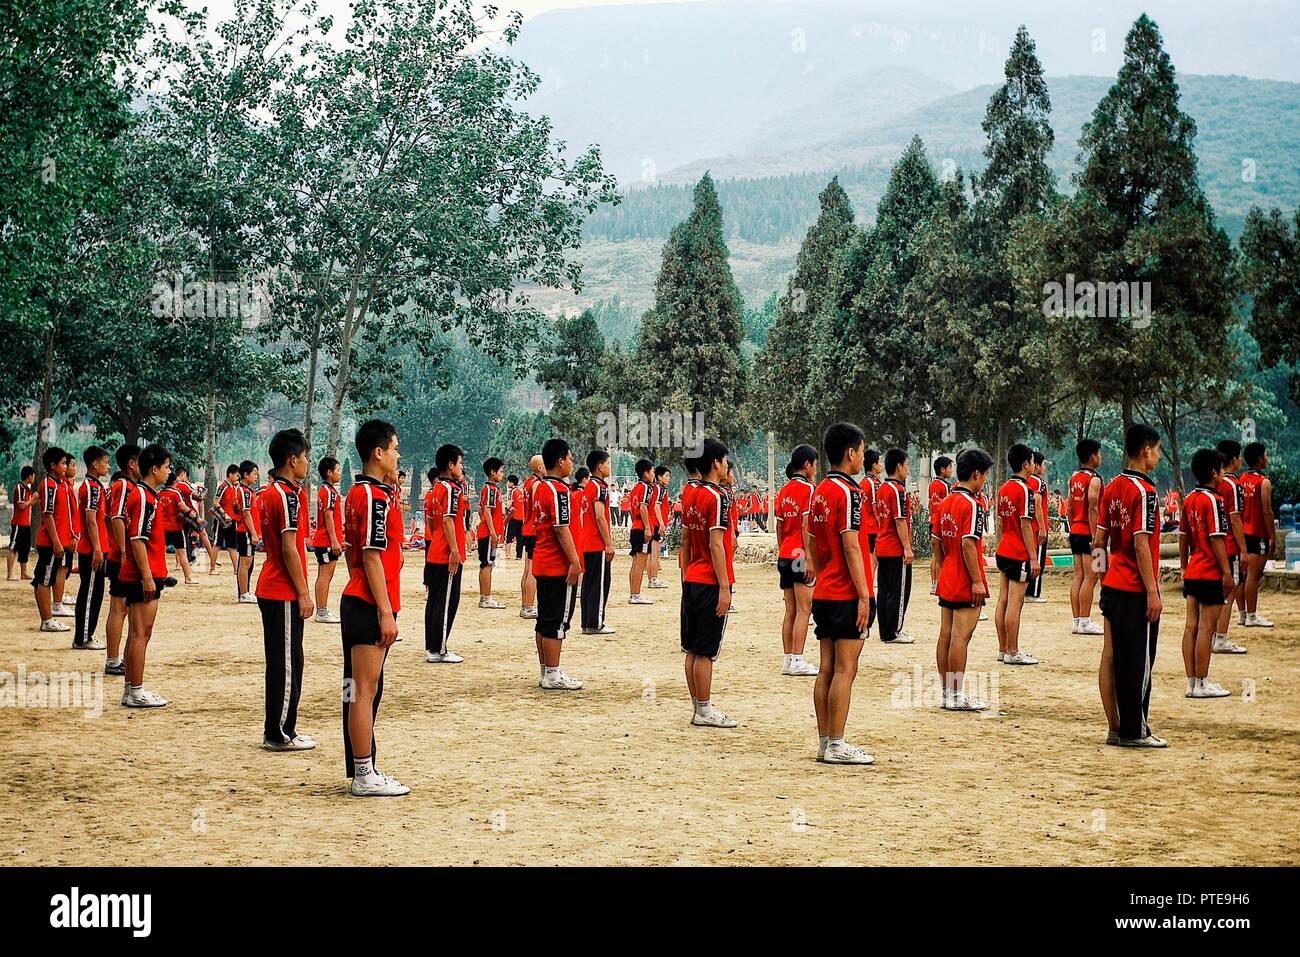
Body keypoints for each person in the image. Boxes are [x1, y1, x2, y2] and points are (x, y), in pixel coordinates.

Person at [341, 419, 409, 796]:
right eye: (395, 449)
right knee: (363, 690)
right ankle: (364, 774)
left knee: (356, 689)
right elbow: (370, 557)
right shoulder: (372, 497)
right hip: (368, 604)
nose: (398, 456)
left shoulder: (364, 493)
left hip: (360, 601)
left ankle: (362, 767)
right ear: (378, 453)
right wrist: (385, 612)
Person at [808, 423, 875, 764]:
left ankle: (825, 741)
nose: (863, 457)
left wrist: (822, 576)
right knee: (845, 671)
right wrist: (864, 594)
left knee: (826, 669)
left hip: (825, 591)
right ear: (850, 453)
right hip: (847, 593)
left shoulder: (819, 490)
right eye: (862, 451)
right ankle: (837, 743)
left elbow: (812, 541)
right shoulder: (849, 492)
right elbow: (851, 545)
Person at [1095, 424, 1165, 748]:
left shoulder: (1112, 487)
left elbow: (1099, 541)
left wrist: (1101, 579)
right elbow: (1141, 544)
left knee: (1111, 656)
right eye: (1158, 450)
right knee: (1139, 663)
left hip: (1113, 585)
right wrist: (1152, 590)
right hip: (1136, 590)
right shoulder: (1145, 493)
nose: (1159, 457)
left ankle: (1115, 726)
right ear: (1146, 450)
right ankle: (1134, 731)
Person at [256, 429, 317, 749]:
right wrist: (304, 593)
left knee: (287, 661)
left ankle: (283, 728)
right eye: (305, 457)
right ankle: (278, 732)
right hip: (282, 591)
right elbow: (291, 548)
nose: (308, 463)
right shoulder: (287, 496)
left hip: (275, 588)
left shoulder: (271, 493)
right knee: (286, 665)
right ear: (292, 460)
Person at [678, 438, 737, 727]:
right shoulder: (717, 497)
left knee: (692, 649)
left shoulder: (689, 493)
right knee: (705, 651)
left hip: (693, 577)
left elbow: (686, 540)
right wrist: (725, 587)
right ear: (715, 463)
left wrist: (686, 576)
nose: (727, 465)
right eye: (725, 459)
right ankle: (704, 709)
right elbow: (717, 545)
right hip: (711, 581)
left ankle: (698, 706)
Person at [933, 448, 994, 711]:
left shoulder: (946, 501)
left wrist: (943, 566)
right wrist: (977, 580)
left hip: (948, 573)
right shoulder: (972, 504)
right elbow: (969, 544)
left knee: (946, 635)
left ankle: (948, 691)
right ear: (977, 474)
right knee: (961, 637)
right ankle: (956, 696)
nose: (985, 481)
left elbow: (936, 540)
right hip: (964, 577)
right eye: (986, 476)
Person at [118, 443, 174, 707]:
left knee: (136, 634)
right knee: (141, 633)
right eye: (166, 467)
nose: (169, 472)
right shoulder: (143, 497)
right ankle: (136, 691)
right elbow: (138, 539)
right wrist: (148, 577)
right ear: (154, 468)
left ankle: (131, 688)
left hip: (144, 572)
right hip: (142, 575)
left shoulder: (148, 496)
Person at [1179, 448, 1235, 700]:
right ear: (1214, 473)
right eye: (1221, 469)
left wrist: (1183, 566)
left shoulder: (1189, 499)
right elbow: (1217, 539)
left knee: (1191, 626)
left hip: (1193, 569)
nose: (1223, 474)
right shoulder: (1214, 500)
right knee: (1206, 628)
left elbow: (1183, 537)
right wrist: (1226, 572)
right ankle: (1202, 682)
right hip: (1210, 571)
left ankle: (1192, 682)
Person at [531, 438, 584, 690]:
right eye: (570, 458)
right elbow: (562, 528)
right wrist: (574, 561)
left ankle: (546, 670)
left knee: (544, 619)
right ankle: (553, 673)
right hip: (556, 564)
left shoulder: (539, 488)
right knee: (557, 620)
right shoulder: (560, 491)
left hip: (542, 560)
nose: (572, 462)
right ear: (560, 461)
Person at [774, 444, 819, 677]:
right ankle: (798, 659)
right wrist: (810, 558)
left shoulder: (783, 491)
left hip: (786, 554)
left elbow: (779, 526)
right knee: (804, 609)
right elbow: (805, 525)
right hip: (801, 554)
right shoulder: (809, 490)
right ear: (807, 465)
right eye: (815, 464)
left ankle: (789, 659)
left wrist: (783, 549)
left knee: (790, 610)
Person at [993, 443, 1040, 665]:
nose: (1034, 465)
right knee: (1015, 602)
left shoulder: (1003, 489)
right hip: (1018, 552)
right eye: (1032, 461)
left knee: (1003, 599)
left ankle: (1003, 648)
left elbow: (1003, 522)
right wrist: (1033, 557)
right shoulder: (1025, 490)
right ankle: (1012, 651)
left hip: (1004, 548)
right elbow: (1025, 525)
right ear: (1026, 464)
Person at [423, 446, 468, 664]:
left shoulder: (434, 490)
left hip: (435, 551)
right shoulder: (451, 489)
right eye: (460, 463)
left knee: (434, 601)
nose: (462, 467)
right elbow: (448, 519)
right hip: (446, 554)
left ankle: (432, 646)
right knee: (447, 601)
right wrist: (454, 549)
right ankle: (439, 649)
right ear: (450, 466)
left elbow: (432, 522)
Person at [103, 445, 140, 676]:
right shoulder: (123, 486)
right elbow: (115, 518)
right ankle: (113, 660)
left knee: (123, 608)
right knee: (118, 608)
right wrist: (124, 550)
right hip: (121, 558)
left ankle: (117, 658)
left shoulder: (127, 486)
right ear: (131, 464)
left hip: (121, 555)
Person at [873, 447, 914, 644]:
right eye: (906, 465)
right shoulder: (897, 491)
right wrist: (907, 547)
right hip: (895, 548)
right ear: (898, 466)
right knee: (898, 592)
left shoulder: (881, 488)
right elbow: (899, 520)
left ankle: (884, 630)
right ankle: (894, 631)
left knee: (884, 590)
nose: (908, 469)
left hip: (882, 546)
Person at [1212, 440, 1249, 654]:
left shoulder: (1214, 482)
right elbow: (1235, 519)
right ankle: (1222, 637)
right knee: (1231, 591)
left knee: (1220, 592)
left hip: (1215, 545)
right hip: (1230, 546)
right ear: (1235, 459)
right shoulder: (1232, 485)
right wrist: (1244, 549)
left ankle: (1214, 634)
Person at [73, 446, 111, 650]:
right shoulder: (92, 488)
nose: (108, 466)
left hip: (97, 547)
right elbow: (91, 520)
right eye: (105, 462)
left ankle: (86, 635)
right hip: (91, 550)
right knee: (89, 594)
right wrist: (97, 548)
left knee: (95, 593)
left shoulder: (95, 486)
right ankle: (82, 638)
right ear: (95, 464)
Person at [31, 447, 72, 633]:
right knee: (44, 580)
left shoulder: (61, 484)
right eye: (63, 463)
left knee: (45, 578)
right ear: (53, 465)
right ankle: (47, 620)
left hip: (59, 541)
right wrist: (56, 541)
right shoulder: (49, 485)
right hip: (49, 542)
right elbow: (47, 515)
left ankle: (48, 617)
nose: (65, 466)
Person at [1068, 440, 1105, 635]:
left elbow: (1070, 507)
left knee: (1079, 576)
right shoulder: (1094, 480)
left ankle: (1076, 620)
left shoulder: (1074, 478)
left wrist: (1072, 526)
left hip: (1075, 531)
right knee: (1092, 576)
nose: (1100, 457)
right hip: (1088, 533)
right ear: (1092, 456)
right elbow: (1092, 508)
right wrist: (1096, 536)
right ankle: (1085, 621)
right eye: (1099, 454)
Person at [1237, 442, 1275, 628]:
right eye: (1265, 455)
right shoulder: (1263, 482)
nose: (1267, 458)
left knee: (1242, 576)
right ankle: (1252, 616)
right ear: (1260, 458)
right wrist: (1272, 536)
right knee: (1253, 576)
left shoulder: (1240, 480)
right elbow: (1267, 511)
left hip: (1241, 533)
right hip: (1257, 534)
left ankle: (1243, 614)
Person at [580, 449, 616, 636]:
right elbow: (600, 517)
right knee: (600, 584)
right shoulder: (600, 487)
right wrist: (608, 544)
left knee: (589, 583)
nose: (609, 467)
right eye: (608, 463)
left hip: (587, 542)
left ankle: (588, 622)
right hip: (597, 543)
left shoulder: (588, 486)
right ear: (600, 466)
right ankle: (596, 623)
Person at [311, 456, 345, 624]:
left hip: (326, 540)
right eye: (338, 470)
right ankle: (321, 611)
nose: (340, 473)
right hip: (326, 541)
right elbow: (328, 517)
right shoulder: (329, 492)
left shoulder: (326, 490)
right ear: (329, 472)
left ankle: (322, 609)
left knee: (325, 575)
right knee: (325, 575)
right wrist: (334, 541)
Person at [477, 457, 506, 609]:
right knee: (488, 564)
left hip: (485, 532)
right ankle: (487, 597)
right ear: (492, 472)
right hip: (488, 533)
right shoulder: (491, 490)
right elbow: (487, 511)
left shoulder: (488, 489)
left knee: (484, 565)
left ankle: (484, 597)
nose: (502, 474)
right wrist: (494, 533)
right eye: (500, 471)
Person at [627, 459, 655, 604]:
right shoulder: (647, 488)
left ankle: (633, 593)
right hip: (643, 529)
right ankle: (636, 594)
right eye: (652, 471)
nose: (654, 474)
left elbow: (633, 510)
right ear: (646, 473)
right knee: (640, 563)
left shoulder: (635, 488)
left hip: (636, 527)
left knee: (636, 562)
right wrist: (648, 527)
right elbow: (643, 507)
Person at [1024, 450, 1050, 603]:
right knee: (1038, 560)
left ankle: (1028, 590)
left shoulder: (1026, 481)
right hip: (1037, 528)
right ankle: (1033, 593)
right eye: (1043, 464)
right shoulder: (1038, 482)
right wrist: (1042, 527)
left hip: (1029, 527)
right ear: (1037, 465)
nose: (1044, 468)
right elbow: (1038, 504)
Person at [519, 455, 543, 620]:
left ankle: (524, 605)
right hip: (534, 529)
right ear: (540, 468)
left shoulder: (528, 482)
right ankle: (529, 606)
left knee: (527, 569)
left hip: (527, 527)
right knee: (533, 571)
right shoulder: (537, 484)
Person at [234, 460, 260, 603]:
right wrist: (254, 533)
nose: (256, 477)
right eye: (254, 474)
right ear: (245, 475)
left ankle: (245, 591)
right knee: (245, 562)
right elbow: (246, 514)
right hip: (246, 531)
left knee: (248, 562)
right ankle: (243, 593)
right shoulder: (244, 492)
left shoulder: (248, 491)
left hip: (247, 531)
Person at [927, 455, 953, 594]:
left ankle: (934, 584)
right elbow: (947, 505)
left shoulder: (932, 484)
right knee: (940, 555)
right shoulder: (944, 486)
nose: (951, 470)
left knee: (934, 555)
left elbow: (931, 504)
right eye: (949, 467)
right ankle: (940, 583)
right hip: (941, 523)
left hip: (933, 521)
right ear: (942, 470)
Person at [7, 466, 36, 580]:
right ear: (29, 476)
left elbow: (28, 504)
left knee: (25, 549)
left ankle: (23, 573)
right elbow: (21, 506)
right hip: (18, 524)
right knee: (13, 547)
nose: (33, 478)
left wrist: (35, 500)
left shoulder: (28, 490)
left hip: (26, 524)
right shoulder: (19, 488)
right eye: (33, 475)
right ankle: (9, 574)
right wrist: (32, 501)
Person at [858, 450, 881, 589]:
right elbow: (875, 506)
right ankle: (869, 586)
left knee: (868, 558)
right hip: (872, 527)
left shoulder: (861, 482)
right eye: (880, 462)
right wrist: (882, 525)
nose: (882, 465)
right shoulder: (873, 483)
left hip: (864, 527)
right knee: (873, 559)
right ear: (874, 465)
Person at [215, 464, 241, 581]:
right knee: (217, 543)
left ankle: (236, 569)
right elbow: (215, 502)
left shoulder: (234, 488)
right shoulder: (223, 486)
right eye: (236, 475)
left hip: (232, 520)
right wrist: (223, 513)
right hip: (221, 520)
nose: (238, 477)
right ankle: (212, 568)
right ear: (230, 475)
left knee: (232, 546)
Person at [646, 465, 671, 589]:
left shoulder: (653, 488)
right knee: (654, 553)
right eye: (666, 476)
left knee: (651, 553)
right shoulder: (660, 489)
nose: (668, 478)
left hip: (652, 523)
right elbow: (657, 507)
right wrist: (661, 523)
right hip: (656, 524)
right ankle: (653, 579)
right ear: (659, 477)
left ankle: (651, 579)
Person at [504, 474, 523, 558]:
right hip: (522, 517)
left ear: (512, 483)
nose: (507, 483)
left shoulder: (512, 491)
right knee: (520, 537)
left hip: (513, 517)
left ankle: (507, 554)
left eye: (508, 482)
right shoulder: (521, 491)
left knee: (509, 536)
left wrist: (505, 511)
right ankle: (519, 555)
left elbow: (509, 503)